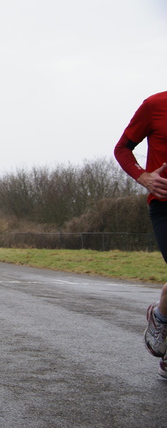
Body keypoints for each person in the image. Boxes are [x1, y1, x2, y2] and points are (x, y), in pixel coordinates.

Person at [114, 91, 167, 378]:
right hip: (164, 205)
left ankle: (161, 316)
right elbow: (122, 148)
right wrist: (142, 176)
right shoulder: (155, 105)